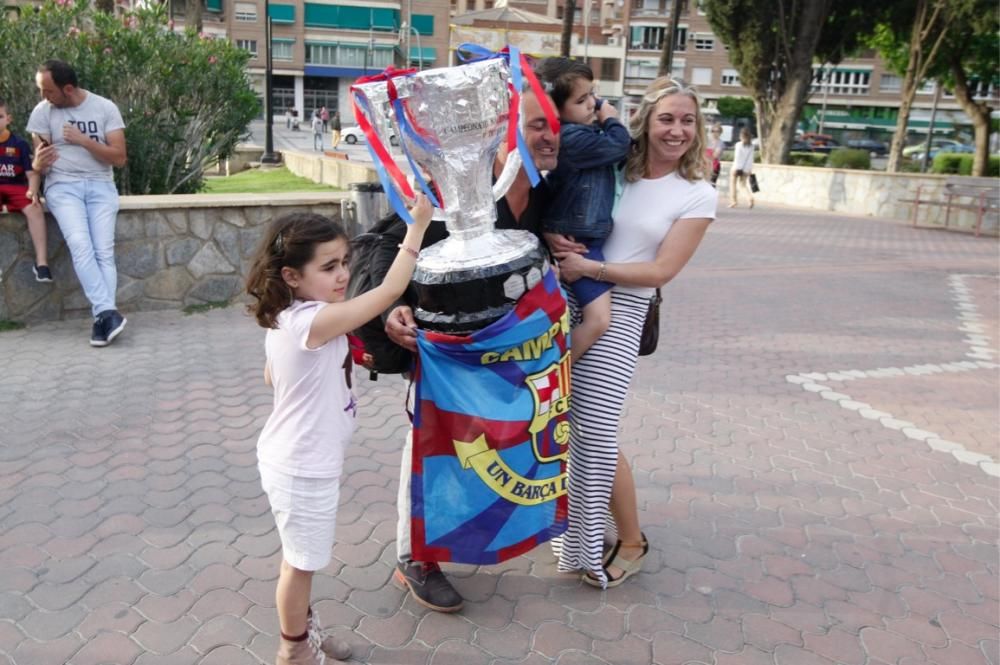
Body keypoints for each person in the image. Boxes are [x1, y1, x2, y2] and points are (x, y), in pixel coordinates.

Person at [383, 86, 570, 613]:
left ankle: (525, 525)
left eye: (553, 123)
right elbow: (385, 246)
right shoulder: (444, 194)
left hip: (523, 361)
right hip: (450, 356)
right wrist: (390, 306)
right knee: (427, 444)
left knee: (519, 443)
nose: (549, 134)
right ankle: (413, 556)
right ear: (502, 134)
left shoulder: (556, 189)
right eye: (534, 124)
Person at [245, 195, 433, 665]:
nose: (343, 275)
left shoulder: (293, 318)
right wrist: (417, 228)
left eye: (345, 262)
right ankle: (293, 650)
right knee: (300, 563)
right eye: (329, 267)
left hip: (300, 458)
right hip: (301, 466)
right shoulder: (314, 320)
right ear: (291, 276)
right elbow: (388, 292)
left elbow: (273, 375)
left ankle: (304, 631)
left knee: (303, 559)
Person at [552, 77, 717, 588]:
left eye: (687, 120)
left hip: (621, 310)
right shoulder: (613, 165)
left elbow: (662, 270)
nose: (677, 130)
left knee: (597, 432)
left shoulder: (697, 194)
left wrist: (589, 270)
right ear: (646, 120)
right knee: (571, 428)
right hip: (568, 299)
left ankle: (631, 540)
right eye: (667, 118)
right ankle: (578, 533)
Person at [535, 57, 631, 361]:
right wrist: (610, 117)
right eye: (582, 99)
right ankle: (553, 370)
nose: (592, 103)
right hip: (580, 244)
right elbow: (620, 145)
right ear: (555, 109)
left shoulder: (579, 132)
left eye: (593, 94)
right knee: (599, 319)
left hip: (581, 237)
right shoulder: (573, 137)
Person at [27, 59, 128, 347]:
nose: (43, 97)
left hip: (100, 186)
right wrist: (37, 162)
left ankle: (104, 319)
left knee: (103, 252)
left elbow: (119, 158)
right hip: (63, 187)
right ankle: (107, 313)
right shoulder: (42, 112)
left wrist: (83, 141)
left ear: (67, 88)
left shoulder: (104, 108)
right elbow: (39, 162)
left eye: (47, 91)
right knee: (81, 245)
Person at [0, 98, 51, 282]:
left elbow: (32, 173)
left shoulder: (19, 144)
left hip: (16, 186)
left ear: (8, 119)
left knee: (35, 207)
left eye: (0, 116)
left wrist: (33, 190)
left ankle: (42, 264)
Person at [729, 126, 755, 208]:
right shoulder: (752, 146)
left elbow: (737, 157)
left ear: (741, 136)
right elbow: (751, 158)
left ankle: (734, 201)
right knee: (743, 185)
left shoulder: (738, 145)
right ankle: (749, 198)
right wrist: (749, 169)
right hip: (746, 169)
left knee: (732, 184)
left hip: (737, 168)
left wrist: (736, 168)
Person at [707, 123, 724, 187]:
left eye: (717, 131)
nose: (714, 133)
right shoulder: (707, 141)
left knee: (711, 186)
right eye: (713, 131)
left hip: (714, 167)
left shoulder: (720, 143)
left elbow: (715, 156)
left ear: (720, 133)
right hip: (704, 166)